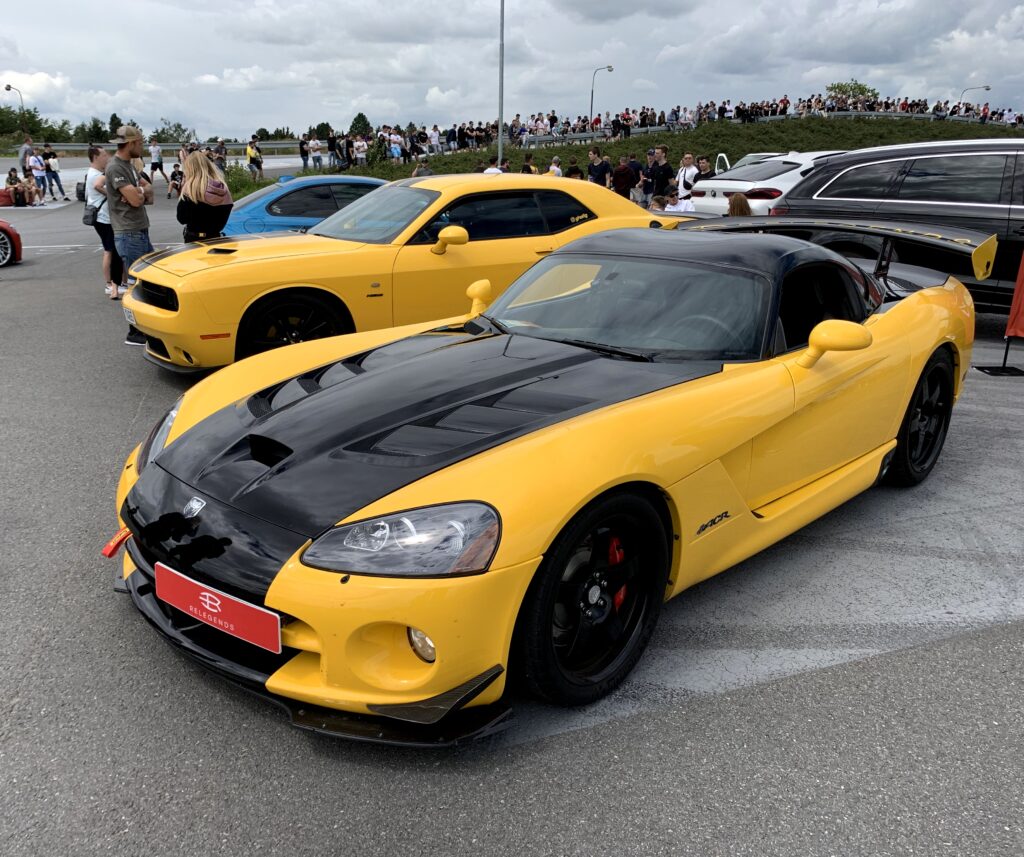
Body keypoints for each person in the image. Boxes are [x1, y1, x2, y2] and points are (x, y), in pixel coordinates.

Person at [105, 124, 154, 345]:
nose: (142, 147)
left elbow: (148, 193)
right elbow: (135, 201)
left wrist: (139, 191)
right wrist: (138, 194)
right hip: (129, 232)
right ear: (131, 143)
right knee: (137, 284)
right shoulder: (116, 167)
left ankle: (144, 328)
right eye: (141, 143)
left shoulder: (130, 166)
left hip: (138, 230)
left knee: (147, 281)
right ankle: (135, 332)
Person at [85, 145, 124, 298]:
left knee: (111, 250)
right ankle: (109, 284)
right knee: (110, 250)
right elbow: (103, 189)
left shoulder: (93, 173)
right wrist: (114, 196)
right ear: (95, 157)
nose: (107, 157)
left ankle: (115, 283)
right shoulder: (95, 175)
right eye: (104, 155)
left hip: (103, 217)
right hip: (103, 218)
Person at [176, 150, 233, 243]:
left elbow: (182, 218)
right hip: (216, 237)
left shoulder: (191, 189)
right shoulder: (223, 188)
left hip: (194, 240)